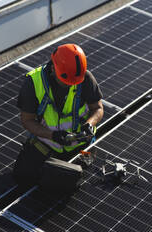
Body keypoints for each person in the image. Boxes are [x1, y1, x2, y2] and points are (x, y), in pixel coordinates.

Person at [13, 43, 104, 187]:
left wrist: (89, 124)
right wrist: (52, 135)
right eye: (66, 82)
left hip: (79, 145)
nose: (70, 85)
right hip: (47, 144)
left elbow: (98, 108)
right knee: (23, 177)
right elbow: (27, 120)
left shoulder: (84, 77)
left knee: (69, 182)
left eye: (74, 82)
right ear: (54, 67)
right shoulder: (34, 83)